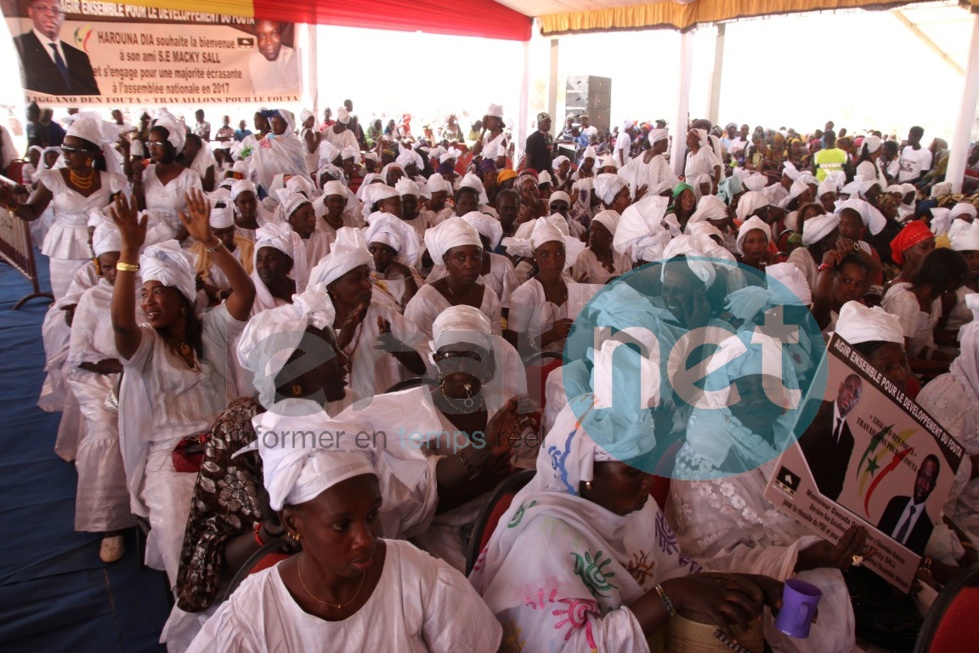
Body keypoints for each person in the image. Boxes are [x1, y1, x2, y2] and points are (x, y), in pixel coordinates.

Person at [471, 387, 783, 651]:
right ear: (586, 473)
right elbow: (571, 646)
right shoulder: (544, 538)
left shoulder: (636, 509)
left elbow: (675, 571)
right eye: (633, 471)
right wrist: (670, 597)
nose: (648, 482)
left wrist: (750, 581)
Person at [185, 408, 502, 652]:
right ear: (293, 523)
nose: (366, 539)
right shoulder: (256, 615)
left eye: (372, 515)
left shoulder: (416, 575)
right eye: (342, 525)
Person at [670, 331, 862, 653]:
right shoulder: (702, 459)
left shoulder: (792, 436)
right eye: (743, 388)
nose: (759, 397)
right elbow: (704, 561)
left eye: (769, 385)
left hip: (826, 583)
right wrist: (800, 556)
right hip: (754, 610)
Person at [110, 190, 255, 586]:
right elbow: (121, 325)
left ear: (183, 297)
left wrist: (210, 242)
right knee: (183, 538)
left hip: (225, 450)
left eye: (158, 291)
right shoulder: (144, 345)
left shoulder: (211, 329)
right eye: (144, 293)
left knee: (261, 529)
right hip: (170, 461)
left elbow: (245, 293)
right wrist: (128, 251)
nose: (149, 301)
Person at [66, 222, 133, 563]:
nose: (112, 273)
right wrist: (123, 368)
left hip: (140, 374)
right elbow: (80, 357)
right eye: (106, 267)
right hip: (99, 378)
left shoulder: (145, 290)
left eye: (118, 264)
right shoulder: (92, 298)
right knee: (110, 427)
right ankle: (112, 522)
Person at [2, 116, 127, 300]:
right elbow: (32, 212)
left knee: (102, 300)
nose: (65, 155)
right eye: (64, 149)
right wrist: (12, 204)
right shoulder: (53, 178)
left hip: (102, 250)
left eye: (72, 150)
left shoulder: (111, 181)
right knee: (67, 301)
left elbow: (123, 214)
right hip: (65, 250)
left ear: (90, 155)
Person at [405, 218, 503, 338]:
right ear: (446, 261)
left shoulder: (489, 296)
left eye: (476, 256)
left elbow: (496, 342)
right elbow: (418, 348)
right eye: (461, 258)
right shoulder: (426, 299)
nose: (469, 264)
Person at [504, 216, 584, 356]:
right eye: (545, 254)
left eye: (559, 253)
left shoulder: (573, 287)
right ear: (535, 256)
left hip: (570, 362)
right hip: (537, 366)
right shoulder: (525, 294)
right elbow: (514, 346)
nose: (553, 261)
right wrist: (550, 335)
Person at [133, 112, 202, 245]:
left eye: (158, 143)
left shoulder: (190, 177)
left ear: (171, 144)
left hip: (183, 244)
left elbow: (194, 215)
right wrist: (137, 180)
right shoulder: (147, 172)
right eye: (150, 143)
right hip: (151, 242)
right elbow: (140, 211)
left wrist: (174, 243)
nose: (152, 148)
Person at [797, 373, 862, 501]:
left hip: (813, 505)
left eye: (856, 395)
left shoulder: (849, 440)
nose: (851, 395)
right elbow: (795, 447)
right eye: (849, 387)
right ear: (840, 387)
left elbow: (837, 485)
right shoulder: (815, 406)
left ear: (857, 402)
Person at [14, 0, 100, 96]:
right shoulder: (16, 47)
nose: (50, 14)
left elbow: (93, 97)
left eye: (56, 10)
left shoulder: (79, 57)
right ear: (31, 12)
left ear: (63, 17)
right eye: (42, 8)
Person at [876, 455, 940, 555]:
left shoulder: (927, 528)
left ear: (933, 486)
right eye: (922, 476)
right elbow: (876, 538)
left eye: (929, 480)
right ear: (917, 475)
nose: (922, 485)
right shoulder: (895, 503)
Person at [571, 209, 631, 284]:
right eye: (592, 230)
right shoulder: (584, 256)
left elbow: (629, 284)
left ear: (610, 235)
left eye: (599, 231)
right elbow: (583, 289)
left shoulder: (621, 257)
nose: (592, 235)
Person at [249, 20, 300, 95]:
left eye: (273, 33)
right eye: (262, 36)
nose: (269, 42)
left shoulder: (294, 58)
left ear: (280, 34)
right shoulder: (253, 62)